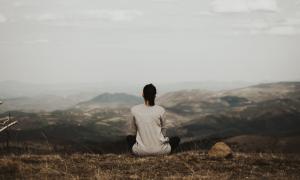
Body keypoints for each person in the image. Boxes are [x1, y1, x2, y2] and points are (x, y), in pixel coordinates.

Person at [126, 83, 180, 156]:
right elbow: (164, 130)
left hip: (141, 152)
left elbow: (133, 131)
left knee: (129, 138)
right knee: (176, 139)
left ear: (142, 94)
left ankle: (139, 150)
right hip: (161, 151)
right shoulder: (161, 110)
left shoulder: (134, 110)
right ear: (155, 95)